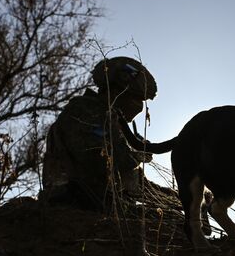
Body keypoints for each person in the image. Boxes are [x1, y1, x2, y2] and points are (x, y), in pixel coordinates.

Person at [41, 56, 170, 212]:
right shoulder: (83, 110)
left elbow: (139, 184)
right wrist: (136, 155)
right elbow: (97, 159)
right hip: (72, 203)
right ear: (117, 91)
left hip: (106, 204)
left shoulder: (112, 124)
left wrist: (185, 199)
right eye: (135, 99)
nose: (138, 107)